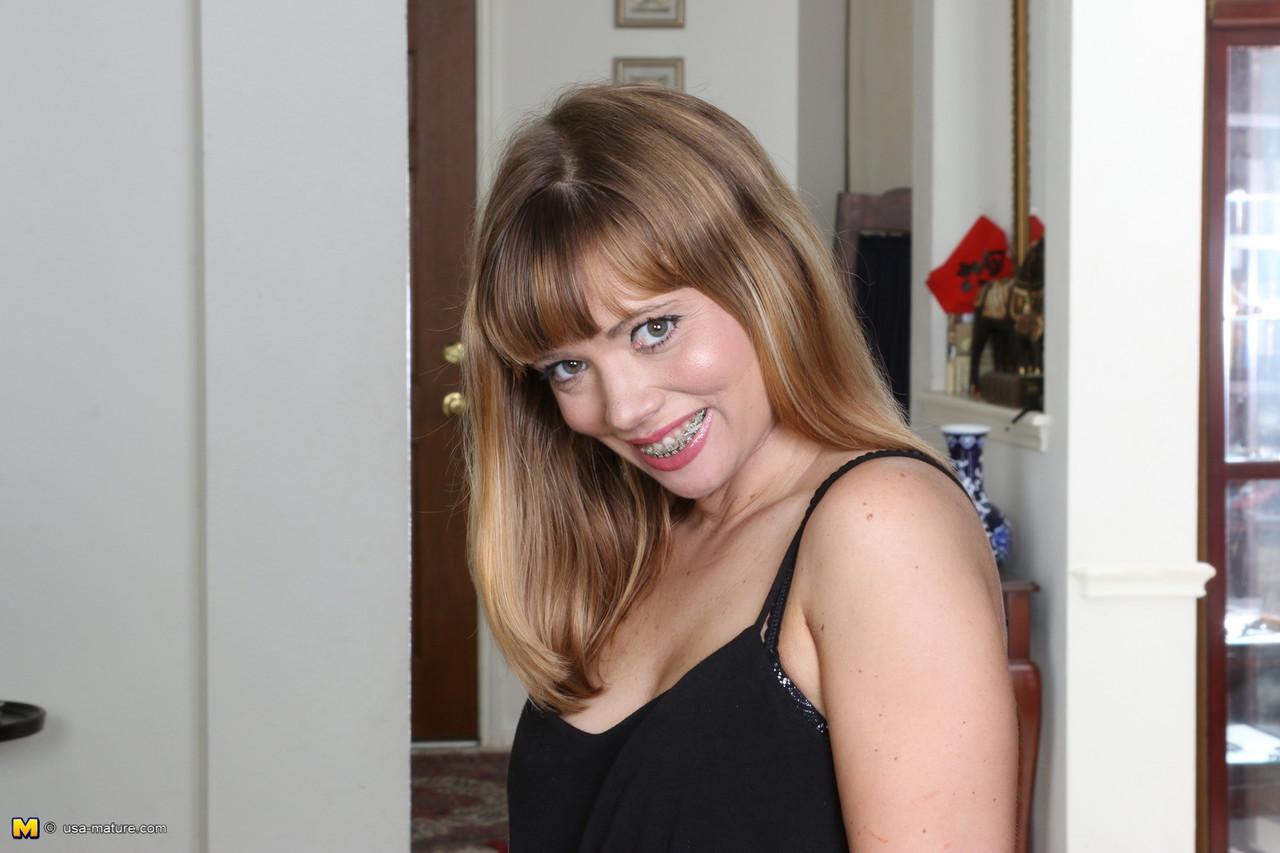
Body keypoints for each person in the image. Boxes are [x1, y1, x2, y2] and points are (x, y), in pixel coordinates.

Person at [462, 83, 1018, 852]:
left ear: (766, 274)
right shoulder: (644, 537)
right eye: (567, 366)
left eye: (654, 327)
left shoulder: (880, 524)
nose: (623, 408)